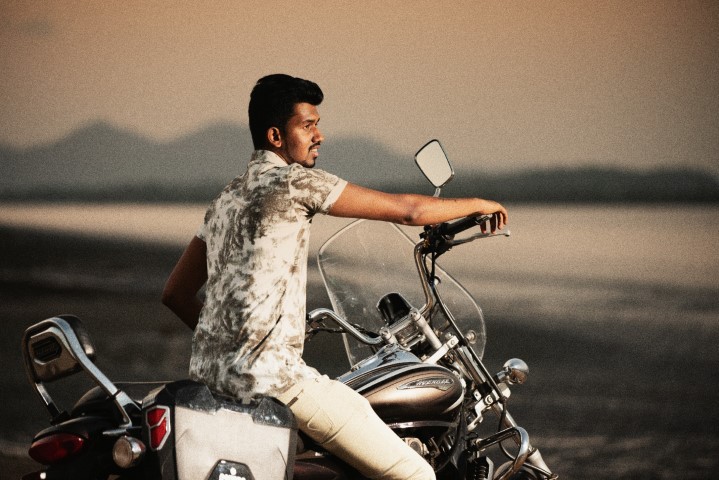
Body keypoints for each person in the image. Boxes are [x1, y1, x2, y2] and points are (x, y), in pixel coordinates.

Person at [162, 74, 508, 480]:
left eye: (318, 124)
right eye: (307, 125)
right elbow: (409, 211)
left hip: (210, 382)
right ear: (276, 136)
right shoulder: (295, 183)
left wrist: (231, 342)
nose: (319, 135)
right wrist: (480, 203)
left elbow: (176, 293)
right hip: (275, 381)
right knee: (416, 474)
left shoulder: (225, 200)